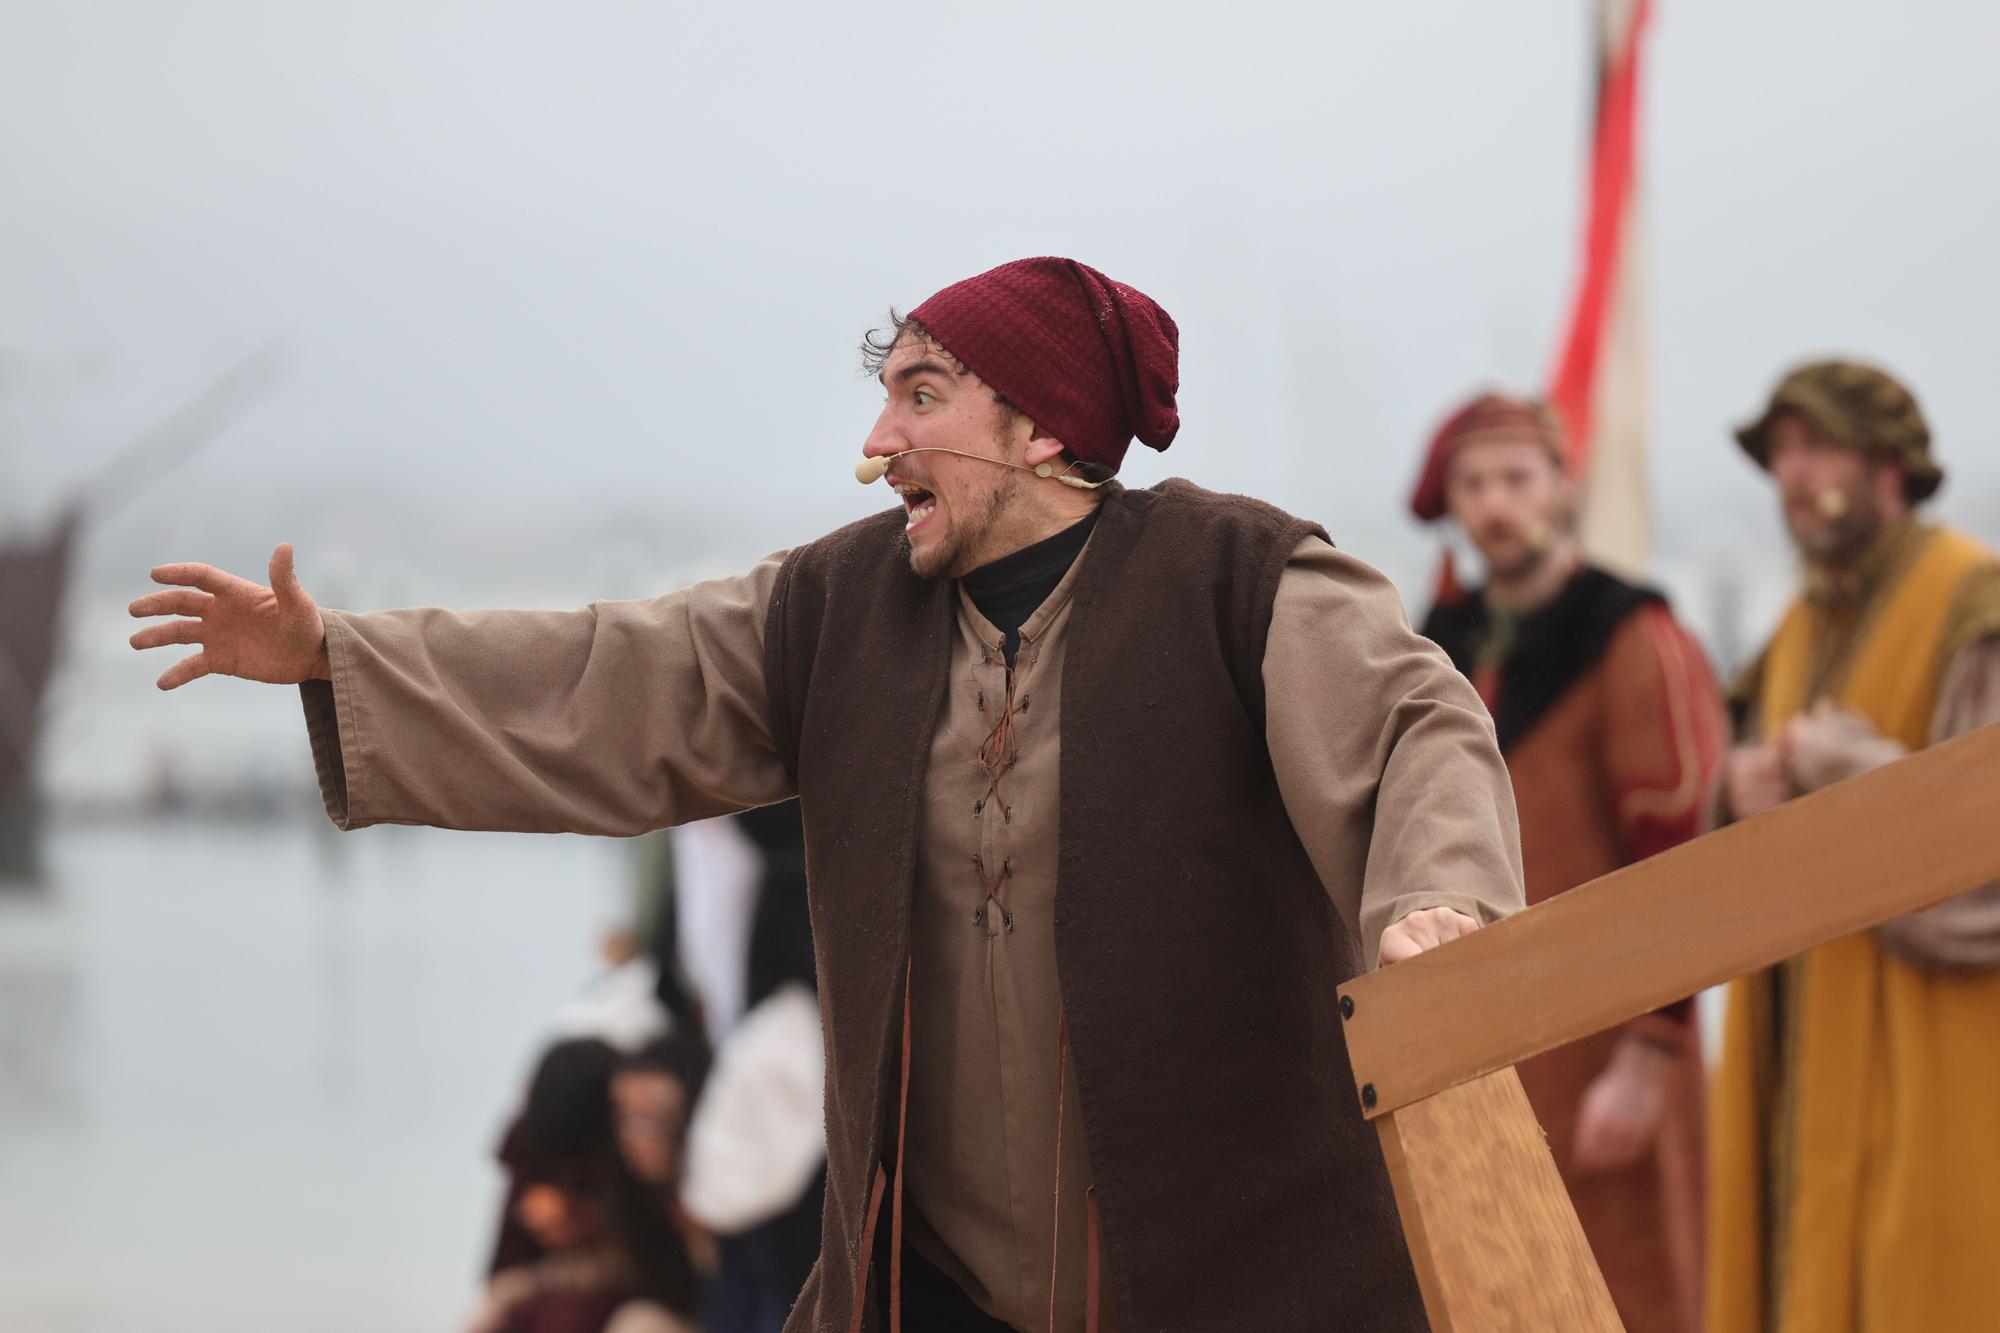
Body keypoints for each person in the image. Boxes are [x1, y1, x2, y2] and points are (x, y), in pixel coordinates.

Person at [129, 256, 1526, 1332]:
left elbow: (1415, 724)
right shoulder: (833, 609)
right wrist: (335, 655)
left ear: (1041, 428)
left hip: (1242, 1283)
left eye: (922, 398)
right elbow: (614, 673)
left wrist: (1442, 902)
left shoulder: (1240, 579)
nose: (876, 440)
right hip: (929, 1296)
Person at [1411, 391, 1723, 1333]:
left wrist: (1648, 1052)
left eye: (1517, 476)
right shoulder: (1436, 647)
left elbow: (1680, 853)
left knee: (1632, 1292)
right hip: (1479, 1048)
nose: (1496, 502)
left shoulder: (1632, 635)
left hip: (1605, 1041)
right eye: (1474, 481)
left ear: (1562, 486)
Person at [1706, 359, 2000, 1333]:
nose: (1792, 474)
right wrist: (1733, 788)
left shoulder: (1972, 604)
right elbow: (1739, 823)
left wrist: (1845, 769)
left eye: (1816, 445)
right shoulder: (1798, 624)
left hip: (1934, 1061)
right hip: (1797, 1055)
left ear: (1888, 465)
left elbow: (1985, 857)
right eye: (1780, 452)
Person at [473, 1038, 701, 1333]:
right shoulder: (534, 1142)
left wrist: (597, 1222)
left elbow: (680, 1281)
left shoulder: (638, 1153)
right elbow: (502, 1277)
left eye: (581, 1176)